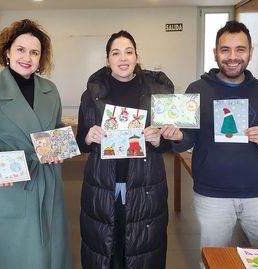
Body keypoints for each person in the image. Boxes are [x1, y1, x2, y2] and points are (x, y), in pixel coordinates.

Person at [161, 20, 258, 268]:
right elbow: (188, 138)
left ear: (250, 53)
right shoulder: (197, 89)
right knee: (213, 261)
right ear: (215, 53)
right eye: (225, 50)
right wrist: (176, 138)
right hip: (211, 195)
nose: (232, 57)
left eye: (240, 49)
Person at [0, 19, 72, 269]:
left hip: (48, 180)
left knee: (53, 249)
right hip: (13, 186)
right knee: (19, 255)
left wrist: (60, 146)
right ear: (7, 53)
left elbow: (56, 127)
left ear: (41, 58)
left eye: (34, 52)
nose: (27, 57)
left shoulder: (50, 89)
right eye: (20, 49)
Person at [76, 30, 174, 269]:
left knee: (141, 246)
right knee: (107, 246)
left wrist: (158, 139)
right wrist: (88, 136)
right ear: (107, 59)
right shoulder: (91, 94)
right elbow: (80, 143)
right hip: (103, 183)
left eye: (128, 52)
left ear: (136, 56)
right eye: (116, 53)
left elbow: (171, 143)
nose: (123, 58)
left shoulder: (157, 91)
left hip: (145, 184)